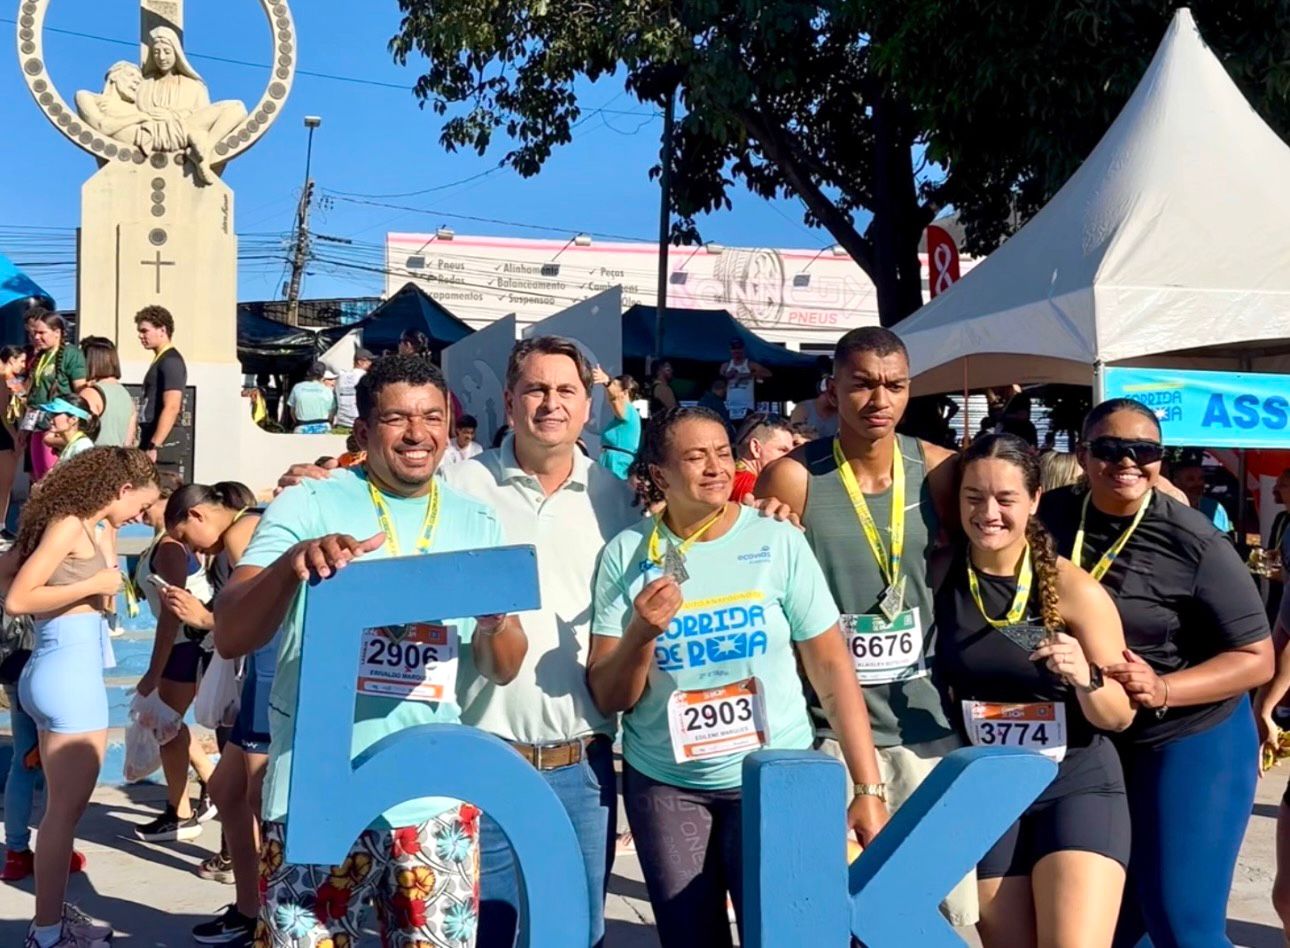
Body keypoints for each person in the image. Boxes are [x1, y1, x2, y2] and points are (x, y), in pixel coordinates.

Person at [216, 354, 528, 947]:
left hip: (432, 802)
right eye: (396, 418)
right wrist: (292, 564)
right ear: (362, 431)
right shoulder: (308, 505)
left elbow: (504, 667)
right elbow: (231, 631)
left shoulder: (476, 521)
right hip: (317, 789)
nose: (417, 433)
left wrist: (494, 624)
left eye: (432, 417)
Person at [588, 406, 888, 946]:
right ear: (659, 474)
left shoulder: (777, 539)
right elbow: (610, 696)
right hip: (669, 786)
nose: (715, 468)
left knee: (788, 936)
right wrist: (640, 633)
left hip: (775, 778)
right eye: (695, 456)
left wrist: (867, 786)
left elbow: (830, 667)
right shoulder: (626, 554)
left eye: (723, 453)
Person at [754, 326, 977, 926]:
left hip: (925, 725)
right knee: (835, 913)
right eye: (862, 384)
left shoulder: (940, 471)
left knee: (942, 915)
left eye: (894, 385)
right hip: (827, 730)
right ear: (833, 390)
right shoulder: (793, 478)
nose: (880, 400)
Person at [1038, 398, 1272, 948]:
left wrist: (1165, 687)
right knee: (1116, 924)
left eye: (1144, 450)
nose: (1127, 461)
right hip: (1099, 736)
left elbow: (1256, 657)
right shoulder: (1050, 517)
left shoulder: (1194, 539)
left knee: (1180, 923)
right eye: (1110, 448)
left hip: (1193, 736)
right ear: (1082, 454)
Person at [936, 433, 1135, 946]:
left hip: (1075, 785)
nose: (988, 513)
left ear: (1034, 500)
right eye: (974, 497)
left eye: (1005, 499)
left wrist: (1086, 676)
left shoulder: (1075, 589)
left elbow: (1119, 715)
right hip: (987, 790)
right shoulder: (937, 575)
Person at [5, 448, 159, 948]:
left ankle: (51, 919)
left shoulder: (88, 525)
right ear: (121, 489)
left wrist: (102, 558)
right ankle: (48, 932)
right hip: (67, 675)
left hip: (61, 669)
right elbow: (18, 596)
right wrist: (92, 583)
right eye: (140, 504)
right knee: (63, 814)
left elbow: (6, 570)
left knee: (61, 810)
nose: (140, 515)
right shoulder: (69, 525)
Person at [164, 482, 264, 946]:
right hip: (260, 678)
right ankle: (249, 908)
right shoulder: (245, 531)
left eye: (188, 538)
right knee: (227, 789)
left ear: (199, 515)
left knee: (257, 799)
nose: (194, 551)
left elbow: (263, 613)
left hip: (268, 680)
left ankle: (264, 912)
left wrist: (205, 619)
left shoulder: (243, 534)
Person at [131, 472, 217, 843]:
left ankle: (180, 812)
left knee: (165, 725)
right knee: (169, 723)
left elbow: (172, 613)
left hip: (186, 645)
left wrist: (154, 671)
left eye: (147, 505)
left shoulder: (169, 548)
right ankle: (211, 786)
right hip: (184, 644)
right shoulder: (163, 544)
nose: (140, 512)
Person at [25, 310, 87, 482]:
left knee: (51, 477)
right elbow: (35, 394)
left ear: (57, 332)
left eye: (41, 333)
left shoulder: (71, 354)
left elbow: (81, 390)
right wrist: (25, 428)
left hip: (56, 426)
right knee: (38, 477)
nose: (36, 337)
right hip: (37, 425)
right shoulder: (41, 356)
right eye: (34, 333)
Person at [135, 306, 186, 470]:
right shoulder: (161, 360)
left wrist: (154, 445)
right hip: (150, 436)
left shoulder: (171, 361)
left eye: (145, 331)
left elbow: (172, 406)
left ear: (162, 330)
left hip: (162, 443)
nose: (140, 336)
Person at [77, 337, 136, 449]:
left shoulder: (90, 394)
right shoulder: (126, 395)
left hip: (94, 457)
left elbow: (80, 438)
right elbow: (128, 442)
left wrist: (51, 440)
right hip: (118, 457)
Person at [730, 414, 794, 502]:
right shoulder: (756, 489)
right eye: (783, 450)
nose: (791, 456)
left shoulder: (725, 480)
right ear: (755, 448)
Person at [593, 367, 641, 480]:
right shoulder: (626, 413)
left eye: (615, 385)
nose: (609, 389)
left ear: (624, 392)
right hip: (612, 461)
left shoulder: (629, 410)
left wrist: (607, 382)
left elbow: (614, 399)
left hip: (617, 463)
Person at [0, 345, 28, 532]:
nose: (24, 366)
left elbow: (24, 398)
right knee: (4, 483)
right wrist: (15, 436)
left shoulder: (11, 380)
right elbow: (3, 412)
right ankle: (1, 525)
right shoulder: (6, 378)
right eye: (22, 361)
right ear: (11, 360)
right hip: (5, 433)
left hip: (7, 431)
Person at [1170, 457, 1234, 533]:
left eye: (1201, 479)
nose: (1197, 484)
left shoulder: (1215, 508)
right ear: (1177, 482)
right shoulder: (1169, 509)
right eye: (1190, 479)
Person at [719, 338, 771, 423]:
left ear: (743, 350)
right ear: (731, 350)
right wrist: (727, 376)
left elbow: (768, 373)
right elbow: (718, 383)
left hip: (746, 405)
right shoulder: (725, 366)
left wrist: (748, 375)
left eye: (739, 349)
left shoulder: (750, 364)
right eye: (734, 349)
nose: (736, 351)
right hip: (730, 405)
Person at [39, 397, 97, 466]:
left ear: (73, 419)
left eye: (55, 414)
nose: (50, 418)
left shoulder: (82, 447)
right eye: (50, 414)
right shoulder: (74, 445)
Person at [284, 361, 337, 434]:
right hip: (323, 427)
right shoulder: (328, 390)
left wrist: (299, 423)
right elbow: (332, 413)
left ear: (308, 373)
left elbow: (292, 411)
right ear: (323, 375)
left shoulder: (297, 387)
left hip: (302, 427)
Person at [1267, 468, 1290, 623]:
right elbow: (1272, 558)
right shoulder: (1281, 518)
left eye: (1282, 485)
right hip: (1276, 602)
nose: (1275, 489)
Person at [333, 347, 373, 430]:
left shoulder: (341, 377)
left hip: (341, 423)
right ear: (360, 362)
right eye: (369, 361)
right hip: (359, 424)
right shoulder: (365, 377)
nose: (371, 363)